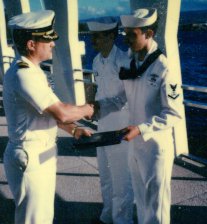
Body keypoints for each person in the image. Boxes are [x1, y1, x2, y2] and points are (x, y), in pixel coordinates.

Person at [3, 10, 94, 224]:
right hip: (31, 155)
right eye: (47, 39)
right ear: (31, 45)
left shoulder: (33, 71)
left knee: (43, 217)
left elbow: (45, 112)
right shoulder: (23, 74)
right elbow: (61, 110)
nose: (52, 44)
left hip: (41, 153)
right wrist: (87, 108)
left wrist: (73, 129)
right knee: (33, 219)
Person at [118, 8, 182, 224]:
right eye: (125, 34)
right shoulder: (131, 62)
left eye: (131, 34)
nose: (126, 39)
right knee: (142, 202)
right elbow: (122, 96)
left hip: (155, 147)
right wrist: (96, 106)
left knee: (156, 208)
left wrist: (141, 129)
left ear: (149, 34)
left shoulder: (164, 66)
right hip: (135, 146)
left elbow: (173, 114)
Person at [87, 17, 134, 224]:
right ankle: (107, 217)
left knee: (121, 179)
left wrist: (99, 106)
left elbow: (127, 97)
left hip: (120, 126)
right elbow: (100, 91)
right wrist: (92, 102)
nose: (93, 40)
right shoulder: (97, 60)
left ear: (111, 36)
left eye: (97, 36)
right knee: (105, 176)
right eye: (92, 35)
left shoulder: (125, 61)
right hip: (102, 125)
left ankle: (122, 220)